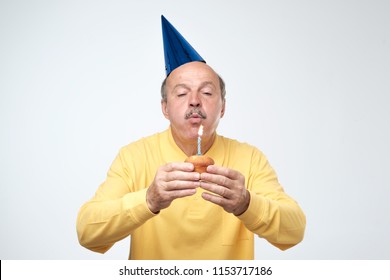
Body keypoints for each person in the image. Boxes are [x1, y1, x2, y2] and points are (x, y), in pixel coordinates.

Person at [76, 15, 306, 260]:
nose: (195, 101)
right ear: (165, 108)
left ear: (223, 108)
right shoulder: (134, 157)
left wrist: (246, 203)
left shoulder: (249, 158)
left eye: (206, 92)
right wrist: (148, 199)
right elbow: (87, 233)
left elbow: (294, 231)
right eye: (182, 93)